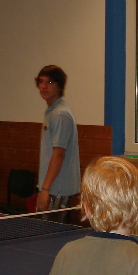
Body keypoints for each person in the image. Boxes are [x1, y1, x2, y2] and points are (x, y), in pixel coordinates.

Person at [34, 65, 80, 217]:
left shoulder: (59, 114)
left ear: (60, 86)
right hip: (52, 186)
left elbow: (59, 154)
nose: (44, 86)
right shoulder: (52, 111)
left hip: (57, 188)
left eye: (50, 82)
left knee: (49, 230)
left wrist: (45, 189)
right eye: (41, 81)